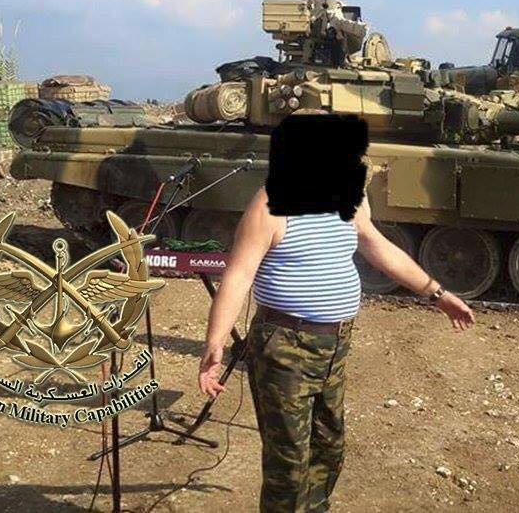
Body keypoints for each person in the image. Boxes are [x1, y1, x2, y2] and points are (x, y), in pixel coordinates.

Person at [198, 188, 475, 512]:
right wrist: (215, 342)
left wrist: (437, 294)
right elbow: (239, 275)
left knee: (328, 448)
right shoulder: (270, 204)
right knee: (288, 464)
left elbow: (377, 246)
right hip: (284, 345)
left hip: (335, 345)